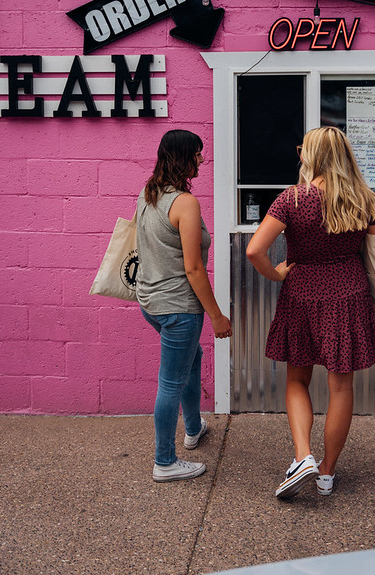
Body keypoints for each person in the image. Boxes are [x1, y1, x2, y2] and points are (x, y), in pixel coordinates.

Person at [246, 126, 375, 499]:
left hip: (303, 294)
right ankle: (326, 473)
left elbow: (253, 251)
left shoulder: (292, 199)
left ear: (310, 156)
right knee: (341, 386)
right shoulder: (367, 201)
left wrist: (276, 273)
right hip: (349, 294)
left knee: (297, 381)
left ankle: (302, 456)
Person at [136, 129, 232, 483]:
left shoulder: (148, 193)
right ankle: (165, 461)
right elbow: (193, 268)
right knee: (171, 383)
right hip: (179, 307)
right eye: (197, 154)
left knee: (192, 363)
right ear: (183, 157)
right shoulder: (185, 204)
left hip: (152, 303)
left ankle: (193, 428)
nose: (202, 160)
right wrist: (217, 315)